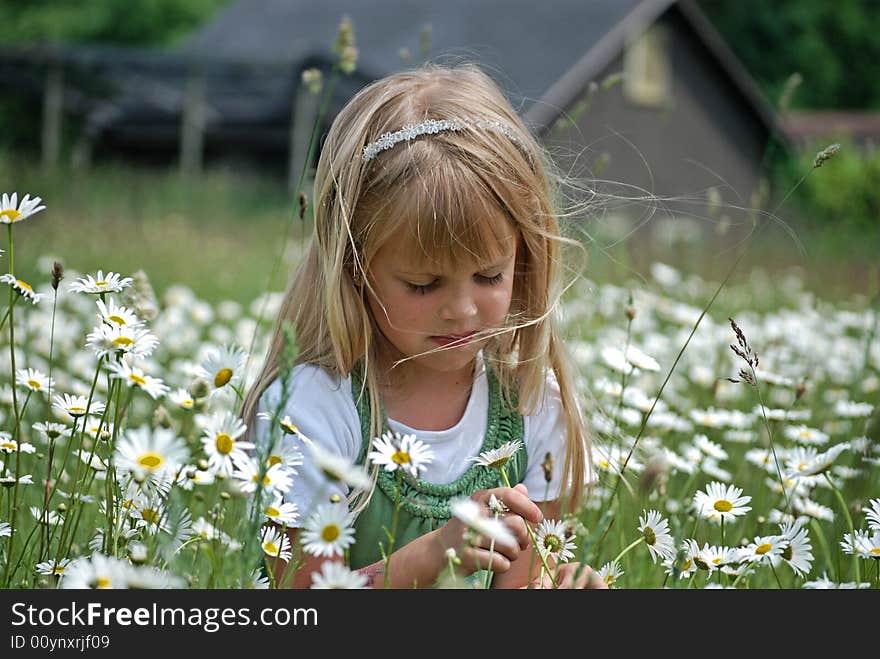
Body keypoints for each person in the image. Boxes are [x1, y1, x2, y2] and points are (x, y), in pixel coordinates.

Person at [241, 63, 604, 589]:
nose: (461, 310)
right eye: (422, 284)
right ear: (353, 267)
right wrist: (431, 555)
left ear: (524, 259)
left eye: (488, 275)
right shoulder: (313, 411)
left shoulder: (532, 405)